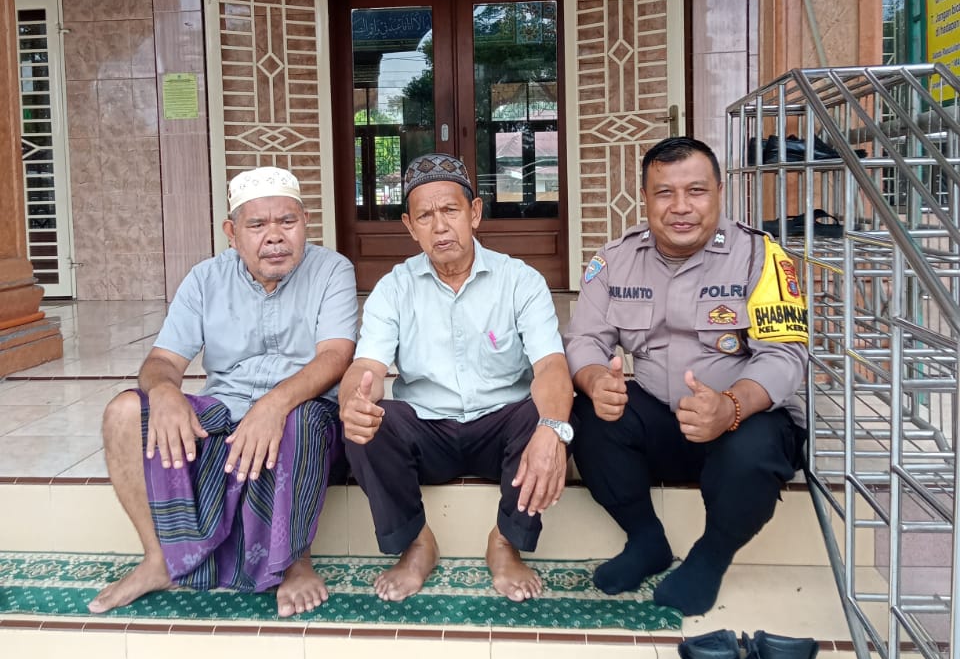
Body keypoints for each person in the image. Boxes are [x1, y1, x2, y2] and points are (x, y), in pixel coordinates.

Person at [88, 167, 357, 617]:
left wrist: (273, 404)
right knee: (124, 412)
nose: (275, 237)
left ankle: (295, 563)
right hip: (225, 405)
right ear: (232, 233)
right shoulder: (204, 278)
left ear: (305, 223)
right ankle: (158, 559)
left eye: (287, 222)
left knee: (302, 419)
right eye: (257, 225)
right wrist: (166, 392)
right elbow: (162, 361)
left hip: (302, 407)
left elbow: (335, 357)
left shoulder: (332, 270)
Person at [564, 136, 808, 617]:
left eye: (695, 191)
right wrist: (594, 380)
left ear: (719, 192)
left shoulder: (761, 257)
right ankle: (645, 540)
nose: (680, 207)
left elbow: (785, 355)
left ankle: (710, 557)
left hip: (740, 418)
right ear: (645, 198)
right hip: (662, 417)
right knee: (588, 415)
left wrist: (731, 406)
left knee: (756, 450)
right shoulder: (615, 259)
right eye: (664, 193)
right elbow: (584, 339)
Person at [340, 152, 574, 603]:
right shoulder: (394, 287)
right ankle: (415, 543)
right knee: (367, 424)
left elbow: (550, 366)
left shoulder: (519, 280)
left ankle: (505, 541)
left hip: (501, 429)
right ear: (410, 227)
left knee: (550, 415)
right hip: (427, 430)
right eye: (425, 216)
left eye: (450, 210)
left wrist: (552, 427)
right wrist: (353, 400)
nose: (440, 226)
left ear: (475, 213)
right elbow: (365, 366)